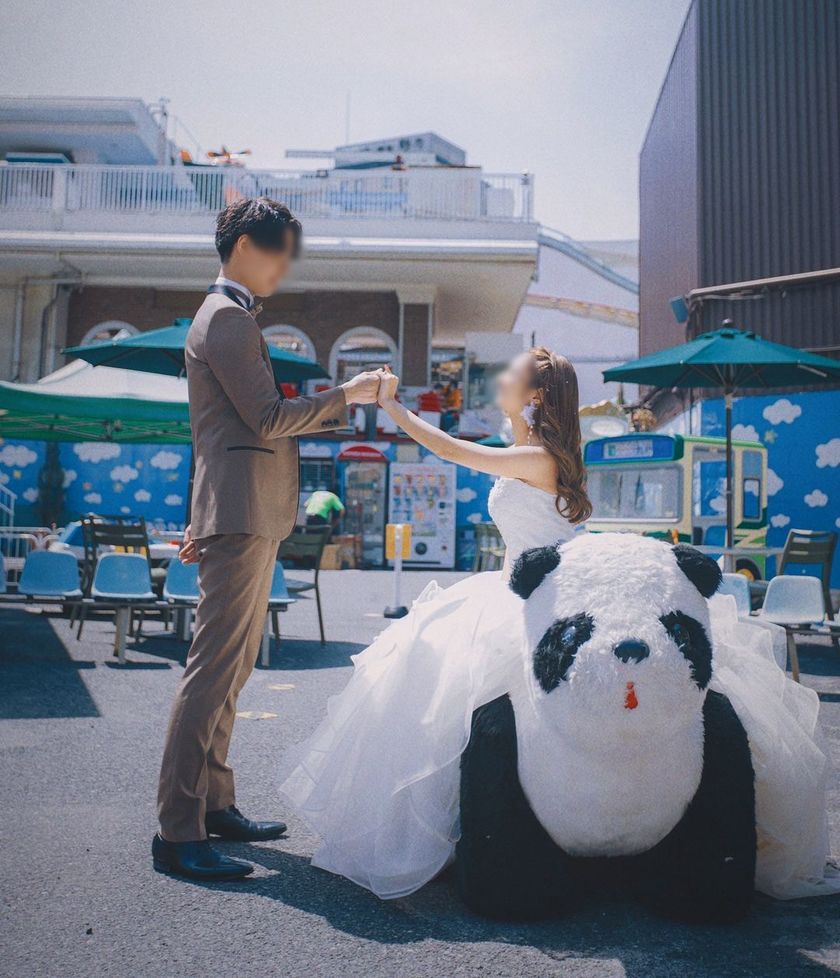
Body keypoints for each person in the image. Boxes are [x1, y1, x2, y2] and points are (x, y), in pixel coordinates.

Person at [280, 348, 840, 902]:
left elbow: (449, 449)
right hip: (517, 590)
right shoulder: (532, 452)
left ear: (536, 395)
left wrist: (392, 408)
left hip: (540, 600)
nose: (501, 377)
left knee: (465, 700)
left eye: (511, 371)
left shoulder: (540, 456)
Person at [154, 197, 382, 882]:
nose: (286, 266)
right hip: (243, 513)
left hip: (243, 510)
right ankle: (177, 829)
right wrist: (350, 394)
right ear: (248, 246)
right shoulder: (227, 319)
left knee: (233, 667)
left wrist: (202, 514)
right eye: (281, 251)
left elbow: (217, 430)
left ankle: (214, 803)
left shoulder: (228, 317)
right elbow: (266, 417)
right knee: (213, 671)